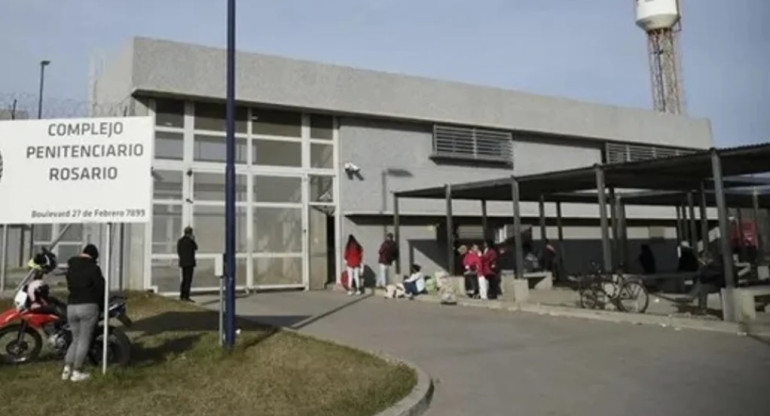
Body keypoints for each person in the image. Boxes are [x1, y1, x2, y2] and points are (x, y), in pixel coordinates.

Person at [62, 244, 105, 382]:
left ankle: (67, 368)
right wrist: (101, 305)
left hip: (71, 306)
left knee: (75, 339)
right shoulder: (94, 268)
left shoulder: (71, 268)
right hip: (88, 306)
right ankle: (77, 371)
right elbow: (100, 288)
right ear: (94, 256)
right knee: (84, 340)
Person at [177, 226, 198, 302]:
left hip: (183, 262)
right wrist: (193, 240)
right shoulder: (190, 241)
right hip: (189, 263)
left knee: (184, 279)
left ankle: (182, 295)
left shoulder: (180, 241)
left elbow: (179, 251)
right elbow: (195, 248)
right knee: (188, 280)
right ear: (190, 233)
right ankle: (186, 296)